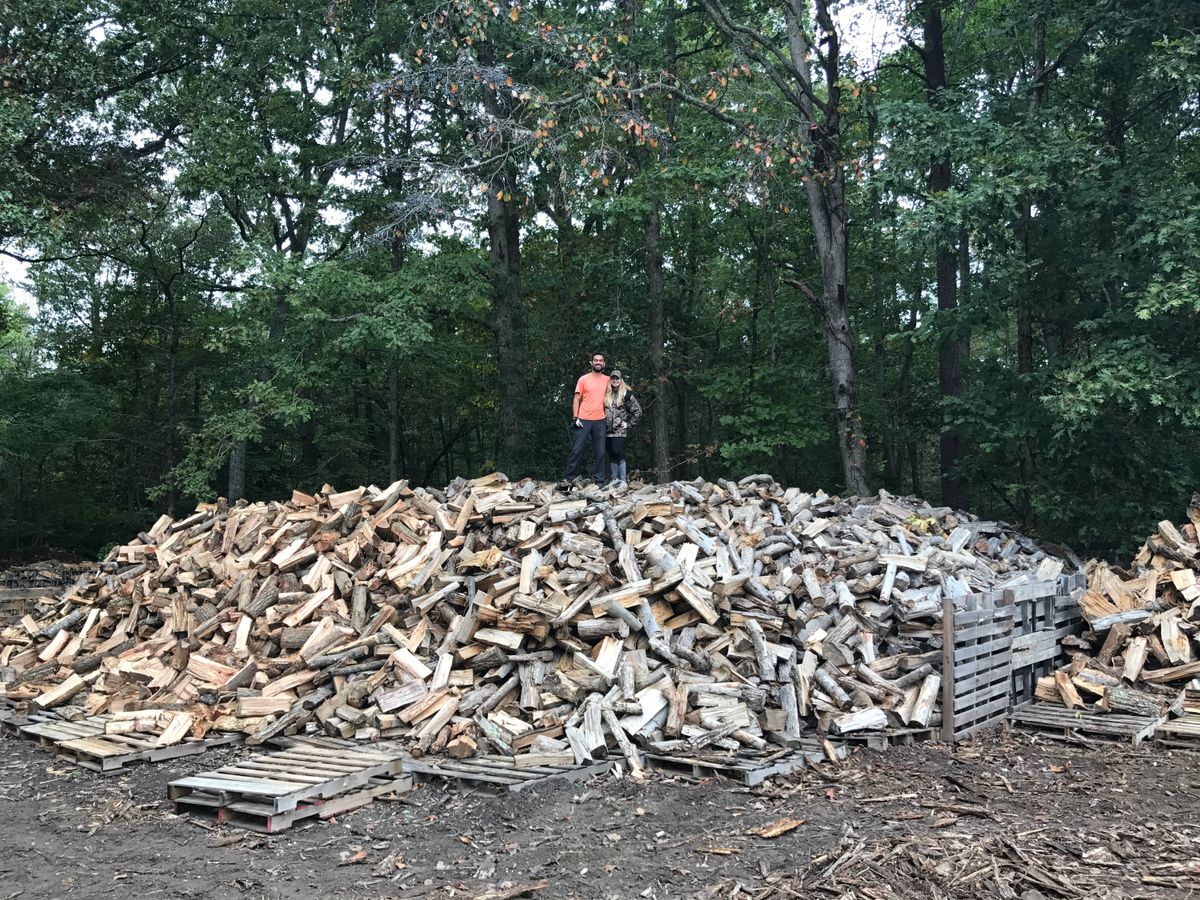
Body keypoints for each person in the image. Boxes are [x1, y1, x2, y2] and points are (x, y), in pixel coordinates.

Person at [562, 352, 610, 485]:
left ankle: (600, 481)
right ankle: (568, 478)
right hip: (583, 419)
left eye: (601, 360)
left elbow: (623, 388)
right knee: (577, 450)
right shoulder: (583, 379)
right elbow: (576, 399)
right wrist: (575, 417)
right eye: (596, 360)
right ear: (591, 363)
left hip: (600, 419)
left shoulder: (608, 380)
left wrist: (629, 394)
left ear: (604, 363)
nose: (598, 362)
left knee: (600, 452)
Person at [604, 369, 642, 485]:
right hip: (607, 430)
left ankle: (623, 480)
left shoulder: (626, 395)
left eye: (617, 378)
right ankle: (614, 479)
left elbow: (638, 412)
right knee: (611, 452)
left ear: (621, 380)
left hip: (619, 430)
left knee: (618, 451)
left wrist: (628, 424)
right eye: (613, 378)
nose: (615, 380)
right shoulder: (606, 394)